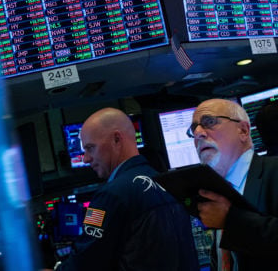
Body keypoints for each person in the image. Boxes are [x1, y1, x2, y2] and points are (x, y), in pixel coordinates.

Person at [45, 107, 199, 271]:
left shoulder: (109, 195)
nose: (86, 158)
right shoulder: (168, 183)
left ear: (117, 139)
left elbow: (85, 262)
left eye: (90, 148)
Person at [187, 98, 278, 270]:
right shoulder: (218, 189)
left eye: (209, 122)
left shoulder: (274, 171)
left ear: (243, 130)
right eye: (193, 129)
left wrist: (231, 220)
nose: (198, 132)